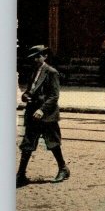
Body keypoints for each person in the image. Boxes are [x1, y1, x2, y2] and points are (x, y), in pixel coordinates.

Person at [16, 45, 70, 188]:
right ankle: (21, 174)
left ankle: (63, 168)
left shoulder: (51, 72)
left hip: (46, 115)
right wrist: (25, 96)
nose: (35, 59)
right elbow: (29, 90)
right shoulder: (34, 71)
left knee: (53, 143)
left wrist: (42, 109)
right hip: (32, 113)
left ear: (44, 56)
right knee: (28, 144)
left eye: (38, 56)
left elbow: (54, 96)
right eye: (33, 57)